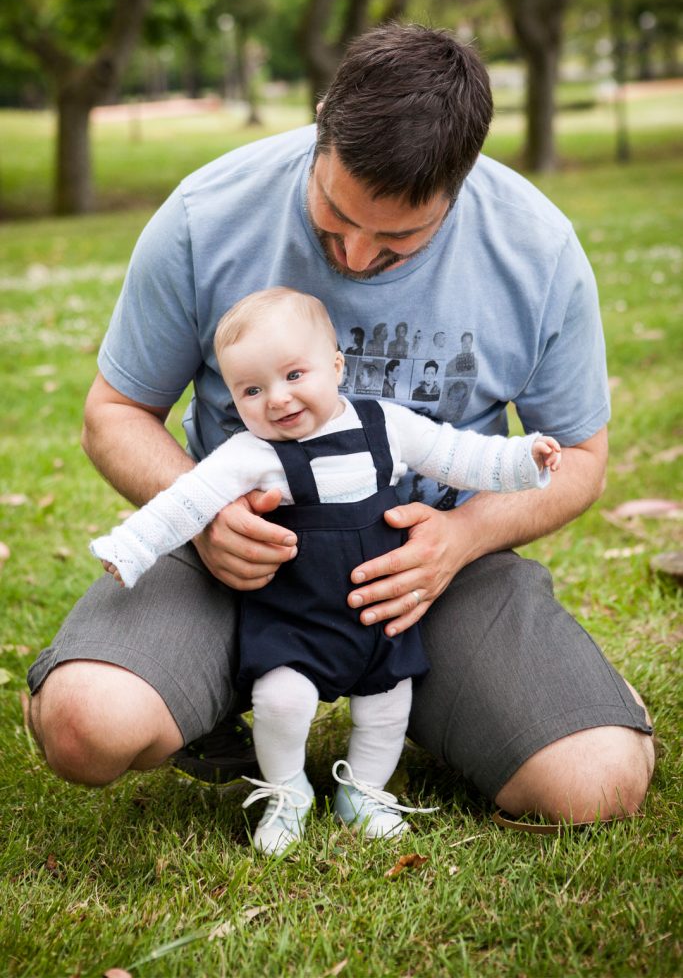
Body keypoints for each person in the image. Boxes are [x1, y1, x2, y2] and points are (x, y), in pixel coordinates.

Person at [27, 23, 654, 827]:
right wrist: (208, 513)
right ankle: (167, 682)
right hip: (231, 564)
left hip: (428, 577)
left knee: (593, 784)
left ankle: (485, 703)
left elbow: (580, 459)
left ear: (460, 182)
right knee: (89, 727)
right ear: (322, 122)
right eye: (332, 218)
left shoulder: (535, 249)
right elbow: (113, 414)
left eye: (396, 240)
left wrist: (458, 540)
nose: (354, 259)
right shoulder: (206, 213)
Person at [90, 287, 561, 853]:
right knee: (282, 701)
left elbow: (460, 456)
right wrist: (131, 547)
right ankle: (287, 791)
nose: (278, 400)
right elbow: (185, 503)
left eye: (294, 375)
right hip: (296, 614)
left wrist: (523, 459)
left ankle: (362, 791)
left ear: (336, 366)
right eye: (252, 390)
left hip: (377, 611)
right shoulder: (251, 455)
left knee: (389, 702)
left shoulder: (384, 424)